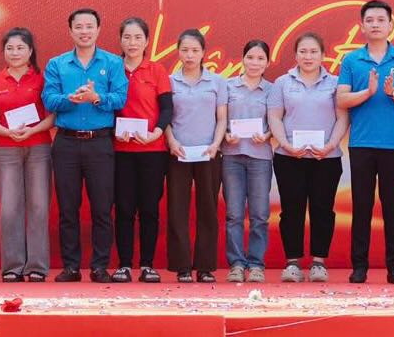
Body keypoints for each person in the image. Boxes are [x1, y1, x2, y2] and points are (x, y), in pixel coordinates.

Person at [42, 8, 128, 283]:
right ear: (70, 31)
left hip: (100, 143)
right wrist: (71, 99)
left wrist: (95, 97)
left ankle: (100, 266)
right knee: (68, 209)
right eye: (78, 27)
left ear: (99, 30)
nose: (84, 31)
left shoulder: (113, 63)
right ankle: (71, 267)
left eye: (89, 26)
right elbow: (49, 100)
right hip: (66, 142)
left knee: (102, 208)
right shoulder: (57, 64)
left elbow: (120, 98)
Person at [335, 0, 394, 284]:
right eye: (369, 20)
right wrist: (367, 93)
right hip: (361, 144)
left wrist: (393, 92)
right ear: (361, 26)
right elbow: (342, 98)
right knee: (361, 206)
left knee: (392, 206)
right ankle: (359, 266)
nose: (375, 25)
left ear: (390, 24)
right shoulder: (351, 60)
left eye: (380, 20)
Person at [268, 32, 348, 283]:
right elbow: (274, 117)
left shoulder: (335, 83)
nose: (308, 56)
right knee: (291, 209)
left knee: (323, 209)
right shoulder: (283, 82)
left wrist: (330, 145)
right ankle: (292, 262)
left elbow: (343, 117)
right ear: (295, 55)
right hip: (289, 156)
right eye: (303, 51)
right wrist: (286, 144)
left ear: (323, 55)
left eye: (314, 51)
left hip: (326, 157)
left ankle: (318, 262)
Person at [0, 27, 55, 283]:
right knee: (10, 208)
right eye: (10, 48)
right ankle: (12, 265)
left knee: (38, 206)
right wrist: (5, 131)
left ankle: (37, 266)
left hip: (39, 147)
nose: (15, 53)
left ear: (30, 51)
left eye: (20, 48)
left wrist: (33, 129)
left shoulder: (42, 79)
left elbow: (52, 116)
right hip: (7, 148)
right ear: (3, 51)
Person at [111, 17, 173, 283]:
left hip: (153, 150)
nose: (132, 43)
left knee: (149, 208)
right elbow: (106, 105)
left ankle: (147, 264)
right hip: (120, 149)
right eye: (127, 37)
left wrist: (156, 133)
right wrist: (115, 128)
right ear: (120, 41)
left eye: (138, 37)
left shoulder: (157, 70)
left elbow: (167, 108)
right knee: (124, 208)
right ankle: (124, 264)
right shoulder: (112, 69)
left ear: (147, 41)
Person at [165, 29, 228, 283]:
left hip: (208, 153)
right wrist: (171, 141)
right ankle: (182, 266)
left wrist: (215, 144)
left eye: (195, 50)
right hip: (178, 152)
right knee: (177, 209)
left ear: (204, 53)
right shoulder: (169, 81)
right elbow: (165, 117)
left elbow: (222, 118)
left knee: (208, 209)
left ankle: (205, 267)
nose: (189, 55)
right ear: (178, 52)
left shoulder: (217, 82)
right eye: (185, 50)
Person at [221, 40, 275, 283]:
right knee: (233, 213)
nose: (255, 63)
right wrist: (225, 135)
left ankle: (255, 264)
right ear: (242, 59)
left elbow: (277, 122)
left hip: (260, 157)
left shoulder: (273, 90)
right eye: (250, 57)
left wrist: (267, 135)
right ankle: (236, 263)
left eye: (260, 58)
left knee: (260, 214)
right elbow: (218, 119)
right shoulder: (227, 86)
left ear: (267, 62)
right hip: (232, 156)